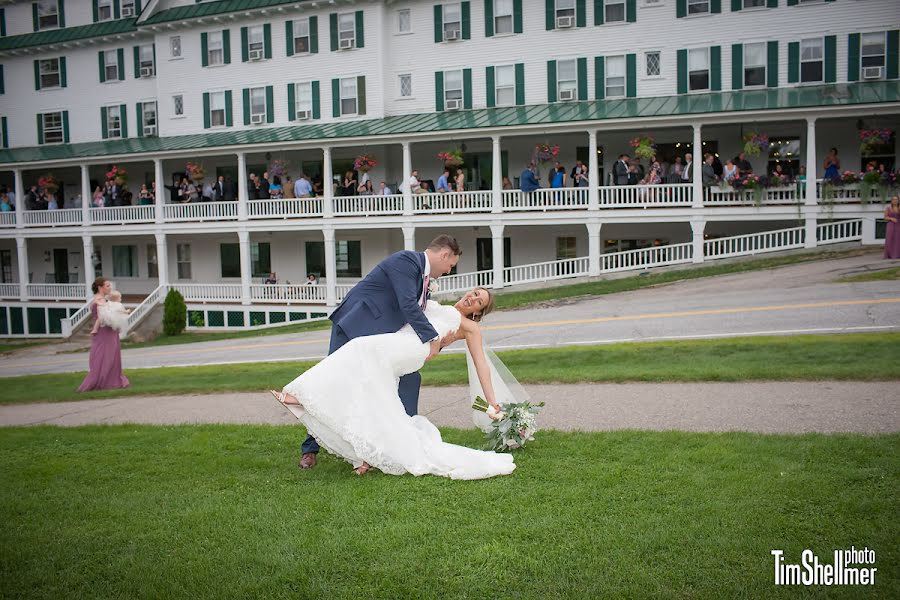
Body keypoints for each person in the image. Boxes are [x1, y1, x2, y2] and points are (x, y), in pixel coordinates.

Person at [272, 282, 515, 479]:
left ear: (478, 312)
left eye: (479, 301)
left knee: (358, 348)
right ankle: (366, 456)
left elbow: (480, 363)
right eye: (474, 293)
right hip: (398, 340)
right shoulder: (437, 305)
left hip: (409, 349)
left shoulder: (469, 326)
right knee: (377, 400)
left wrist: (492, 402)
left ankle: (300, 394)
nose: (473, 298)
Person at [287, 235, 462, 470]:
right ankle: (310, 448)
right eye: (451, 265)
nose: (449, 271)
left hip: (377, 340)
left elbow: (412, 314)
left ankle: (403, 442)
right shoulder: (407, 261)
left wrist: (439, 342)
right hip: (354, 326)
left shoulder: (424, 279)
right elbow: (407, 304)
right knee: (334, 383)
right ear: (444, 255)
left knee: (407, 379)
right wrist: (431, 338)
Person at [78, 277, 130, 392]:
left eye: (110, 285)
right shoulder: (99, 300)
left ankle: (110, 380)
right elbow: (104, 316)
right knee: (104, 356)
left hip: (108, 332)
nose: (110, 288)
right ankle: (101, 381)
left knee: (110, 356)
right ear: (100, 287)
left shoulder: (101, 299)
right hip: (104, 332)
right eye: (107, 286)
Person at [884, 195, 900, 259]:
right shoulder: (888, 208)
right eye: (893, 199)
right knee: (890, 239)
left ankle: (897, 254)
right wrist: (891, 218)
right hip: (890, 224)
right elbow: (885, 217)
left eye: (896, 199)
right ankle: (890, 255)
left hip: (898, 224)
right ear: (891, 200)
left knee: (898, 239)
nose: (895, 200)